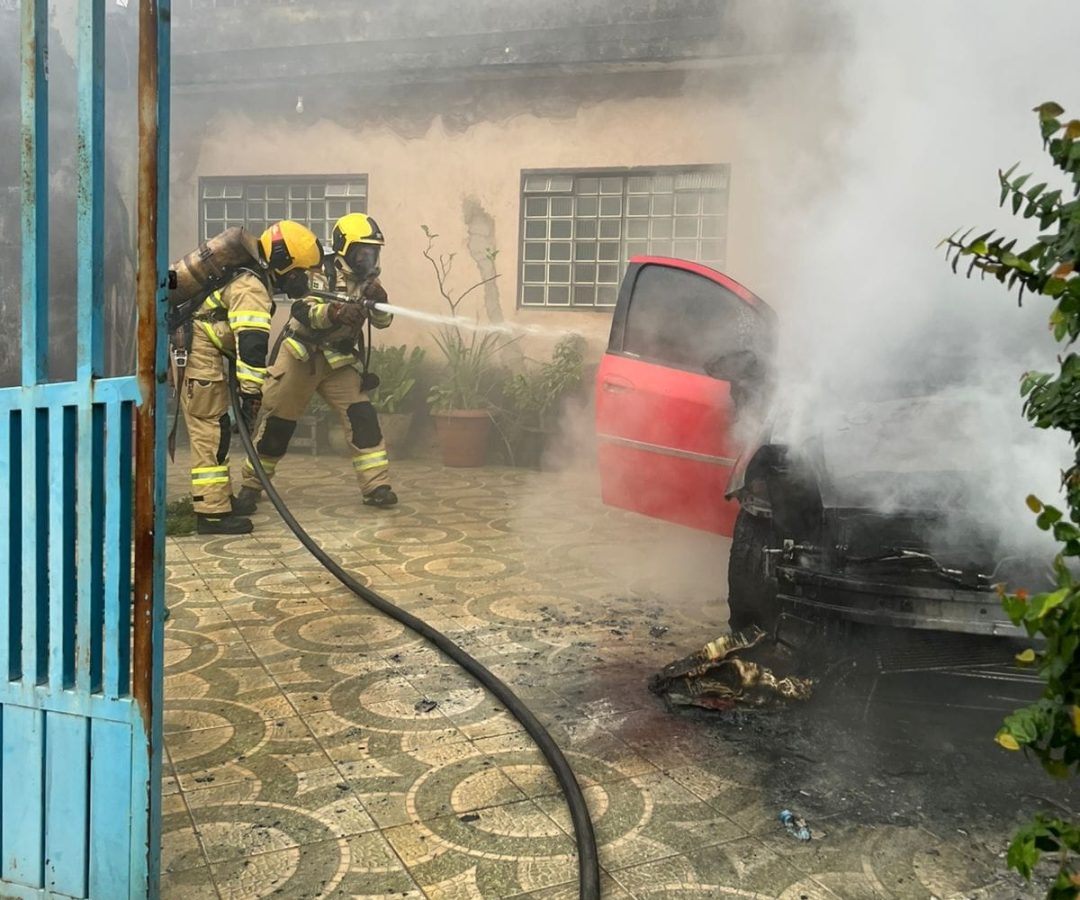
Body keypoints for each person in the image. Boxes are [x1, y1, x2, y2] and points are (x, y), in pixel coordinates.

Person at [236, 212, 398, 509]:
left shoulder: (369, 281)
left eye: (372, 253)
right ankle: (251, 485)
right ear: (344, 248)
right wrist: (333, 313)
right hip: (300, 356)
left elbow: (383, 322)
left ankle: (376, 486)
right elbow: (302, 310)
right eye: (362, 252)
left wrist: (381, 302)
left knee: (363, 418)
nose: (367, 259)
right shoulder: (315, 269)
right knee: (277, 427)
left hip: (338, 361)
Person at [178, 220, 322, 535]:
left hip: (206, 361)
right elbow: (252, 345)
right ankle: (212, 514)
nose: (304, 281)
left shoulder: (250, 280)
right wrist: (251, 393)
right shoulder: (252, 287)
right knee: (210, 434)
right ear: (285, 264)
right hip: (203, 364)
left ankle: (216, 499)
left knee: (216, 433)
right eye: (302, 273)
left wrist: (247, 391)